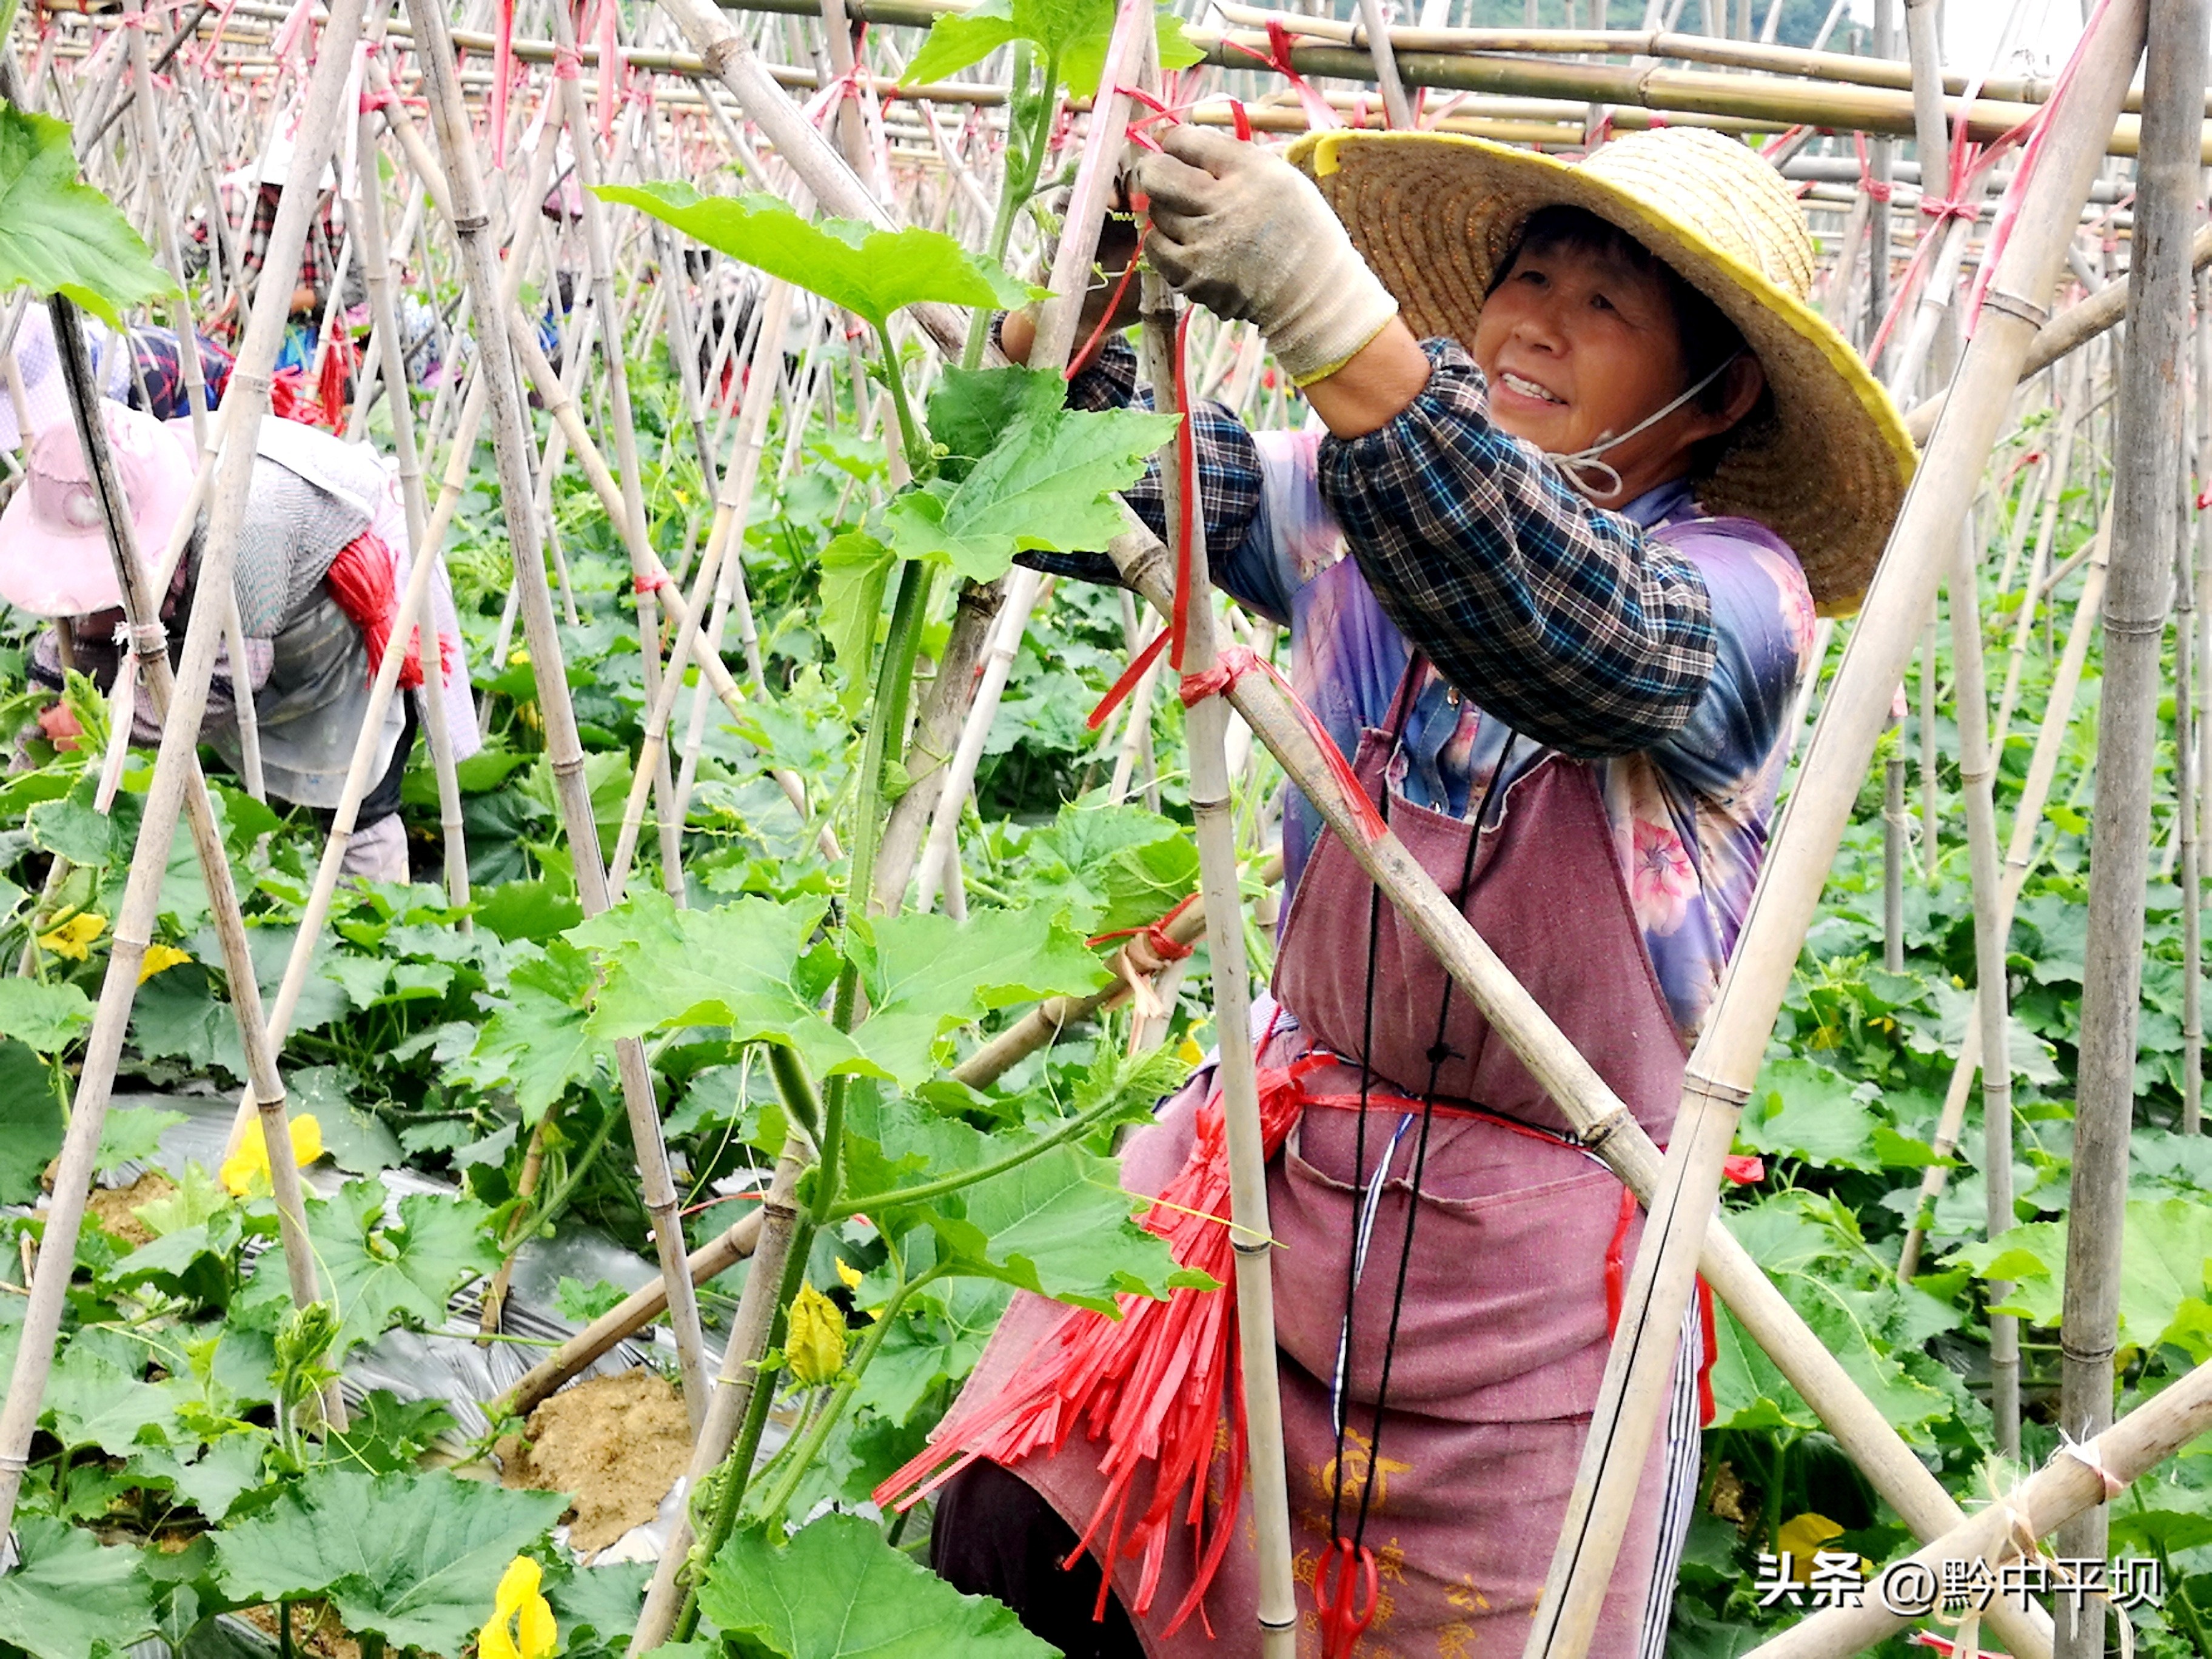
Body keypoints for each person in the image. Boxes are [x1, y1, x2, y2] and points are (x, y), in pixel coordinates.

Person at [904, 126, 1914, 1658]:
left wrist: (1327, 317)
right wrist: (1088, 301)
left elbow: (1571, 627)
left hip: (1527, 1296)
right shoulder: (1353, 500)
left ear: (1717, 397)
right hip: (1272, 1185)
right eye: (1529, 279)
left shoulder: (1736, 592)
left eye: (1604, 305)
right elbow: (1134, 480)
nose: (1537, 325)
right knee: (1019, 1522)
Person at [0, 401, 479, 883]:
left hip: (351, 590)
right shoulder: (121, 481)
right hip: (268, 605)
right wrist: (32, 754)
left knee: (355, 803)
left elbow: (231, 676)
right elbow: (88, 627)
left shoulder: (242, 518)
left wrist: (105, 725)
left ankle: (371, 906)